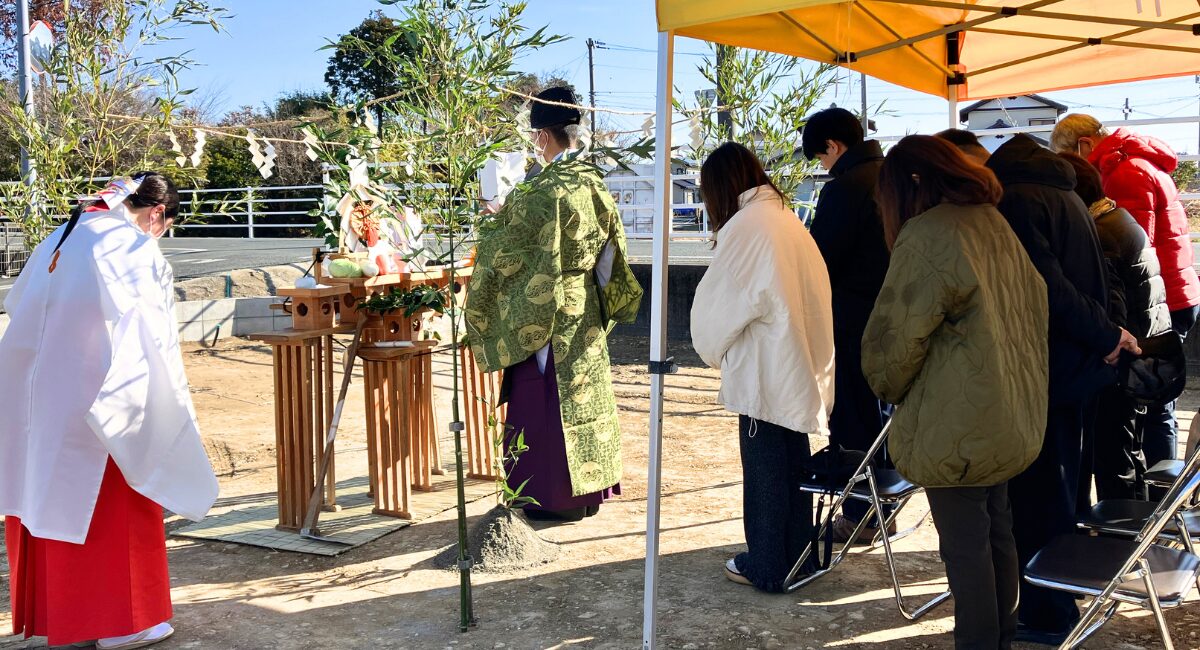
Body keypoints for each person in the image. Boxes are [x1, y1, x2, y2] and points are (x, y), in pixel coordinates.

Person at [0, 172, 219, 649]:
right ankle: (124, 624)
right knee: (118, 505)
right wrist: (165, 409)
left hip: (36, 399)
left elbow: (18, 308)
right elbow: (151, 338)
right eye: (166, 226)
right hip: (99, 399)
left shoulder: (60, 237)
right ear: (157, 214)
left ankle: (62, 617)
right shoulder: (129, 246)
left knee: (45, 498)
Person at [864, 135, 1049, 650]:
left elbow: (895, 340)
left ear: (912, 183)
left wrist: (884, 383)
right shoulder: (991, 221)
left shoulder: (928, 233)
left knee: (966, 550)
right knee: (997, 535)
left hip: (955, 422)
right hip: (1006, 409)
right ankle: (1001, 639)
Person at [983, 133, 1139, 644]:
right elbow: (1099, 278)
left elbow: (1046, 287)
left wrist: (1104, 335)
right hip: (1081, 367)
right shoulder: (1068, 194)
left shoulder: (1017, 200)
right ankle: (1063, 596)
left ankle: (1049, 613)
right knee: (1065, 489)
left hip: (1046, 367)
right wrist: (1107, 334)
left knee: (1039, 498)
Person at [466, 86, 643, 521]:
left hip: (545, 311)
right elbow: (612, 255)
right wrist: (600, 304)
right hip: (585, 308)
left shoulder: (540, 192)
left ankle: (553, 498)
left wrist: (492, 226)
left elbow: (504, 254)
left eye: (533, 136)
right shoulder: (593, 182)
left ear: (544, 135)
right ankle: (590, 493)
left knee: (546, 400)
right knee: (586, 397)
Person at [690, 142, 834, 592]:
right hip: (796, 363)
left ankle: (768, 565)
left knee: (766, 473)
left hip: (765, 370)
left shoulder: (748, 226)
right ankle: (798, 558)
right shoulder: (785, 219)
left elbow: (717, 308)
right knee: (793, 467)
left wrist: (710, 350)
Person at [1052, 114, 1199, 471]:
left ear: (1084, 145)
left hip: (1158, 299)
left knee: (1148, 401)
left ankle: (1155, 491)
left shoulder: (1123, 172)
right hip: (1174, 290)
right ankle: (1159, 484)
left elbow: (1124, 254)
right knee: (1157, 400)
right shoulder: (1142, 161)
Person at [801, 107, 893, 542]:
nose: (823, 166)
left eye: (821, 157)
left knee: (853, 420)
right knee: (883, 420)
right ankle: (883, 508)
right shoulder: (893, 176)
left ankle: (860, 515)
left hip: (853, 322)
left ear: (834, 146)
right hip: (895, 318)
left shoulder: (846, 188)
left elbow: (821, 259)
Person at [1060, 152, 1171, 501]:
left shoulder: (1100, 232)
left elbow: (1114, 306)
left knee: (1114, 455)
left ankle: (1121, 529)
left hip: (1125, 358)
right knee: (1126, 448)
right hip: (1147, 345)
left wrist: (1105, 343)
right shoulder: (1118, 217)